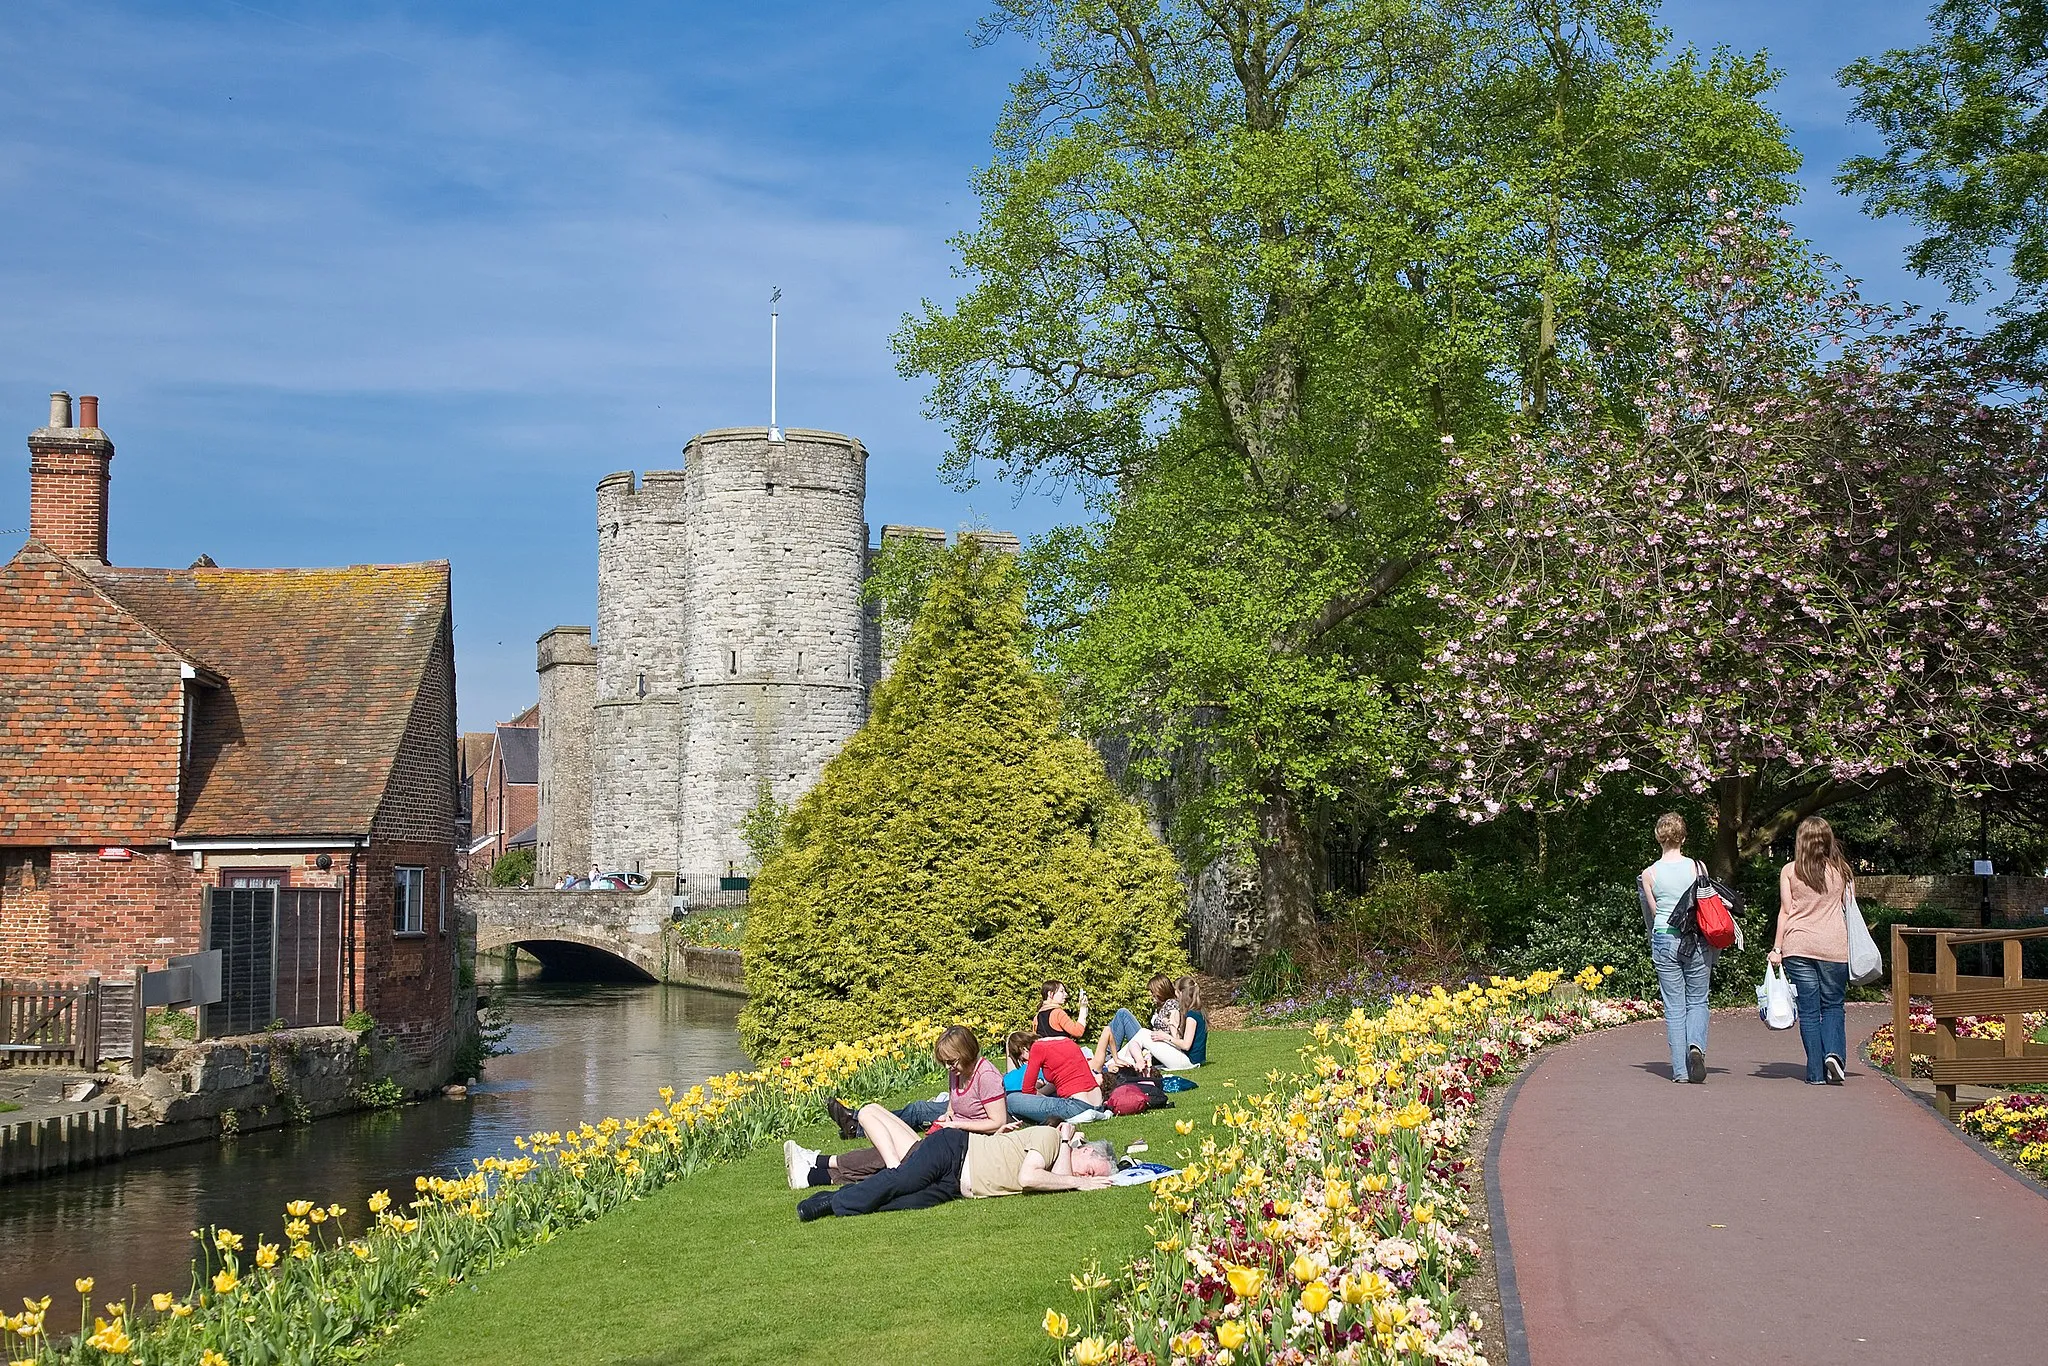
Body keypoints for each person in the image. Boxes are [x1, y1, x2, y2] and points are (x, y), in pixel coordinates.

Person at [793, 1108, 1113, 1220]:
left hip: (956, 1185)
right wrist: (1079, 1174)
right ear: (1086, 1151)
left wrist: (1076, 1174)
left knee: (903, 1203)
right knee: (898, 1180)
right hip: (953, 1150)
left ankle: (840, 1200)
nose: (1086, 1176)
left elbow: (1059, 1178)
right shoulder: (1048, 1137)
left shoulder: (1059, 1163)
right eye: (1091, 1169)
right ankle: (829, 1203)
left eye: (1091, 1177)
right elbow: (1029, 1177)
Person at [1771, 816, 1854, 1086]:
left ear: (1801, 841)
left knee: (1808, 1011)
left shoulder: (1790, 871)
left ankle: (1815, 1073)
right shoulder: (1841, 871)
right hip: (1833, 948)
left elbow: (1785, 911)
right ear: (1827, 840)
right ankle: (1833, 1055)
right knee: (1832, 1005)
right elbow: (1849, 908)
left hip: (1798, 946)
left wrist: (1777, 949)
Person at [825, 1025, 1007, 1140]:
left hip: (972, 1137)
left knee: (916, 1123)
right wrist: (947, 1116)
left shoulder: (986, 1076)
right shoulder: (957, 1071)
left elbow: (998, 1122)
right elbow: (953, 1105)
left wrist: (956, 1124)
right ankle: (860, 1123)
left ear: (966, 1053)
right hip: (956, 1131)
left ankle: (857, 1127)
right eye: (944, 1062)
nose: (947, 1067)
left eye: (951, 1062)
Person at [1639, 812, 1712, 1084]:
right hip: (1696, 939)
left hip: (1665, 938)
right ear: (1683, 837)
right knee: (1698, 999)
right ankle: (1696, 1047)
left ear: (1659, 837)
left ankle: (1680, 1072)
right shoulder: (1699, 868)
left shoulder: (1649, 874)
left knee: (1674, 1005)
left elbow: (1656, 911)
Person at [1006, 1031, 1106, 1125]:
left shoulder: (1037, 1048)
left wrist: (1040, 1096)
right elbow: (1057, 1083)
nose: (1026, 1063)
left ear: (1023, 1049)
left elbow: (1027, 1090)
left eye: (1023, 1059)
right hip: (1097, 1103)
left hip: (1076, 1106)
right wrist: (1042, 1093)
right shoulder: (1066, 1041)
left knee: (1011, 1100)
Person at [1093, 975, 1181, 1072]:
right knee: (1122, 1014)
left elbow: (1175, 1034)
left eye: (1153, 992)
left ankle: (1107, 1056)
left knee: (1123, 1014)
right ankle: (1108, 1055)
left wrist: (1167, 1029)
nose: (1151, 995)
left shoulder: (1171, 1005)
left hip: (1157, 1045)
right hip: (1152, 1042)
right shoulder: (1161, 1006)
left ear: (1161, 990)